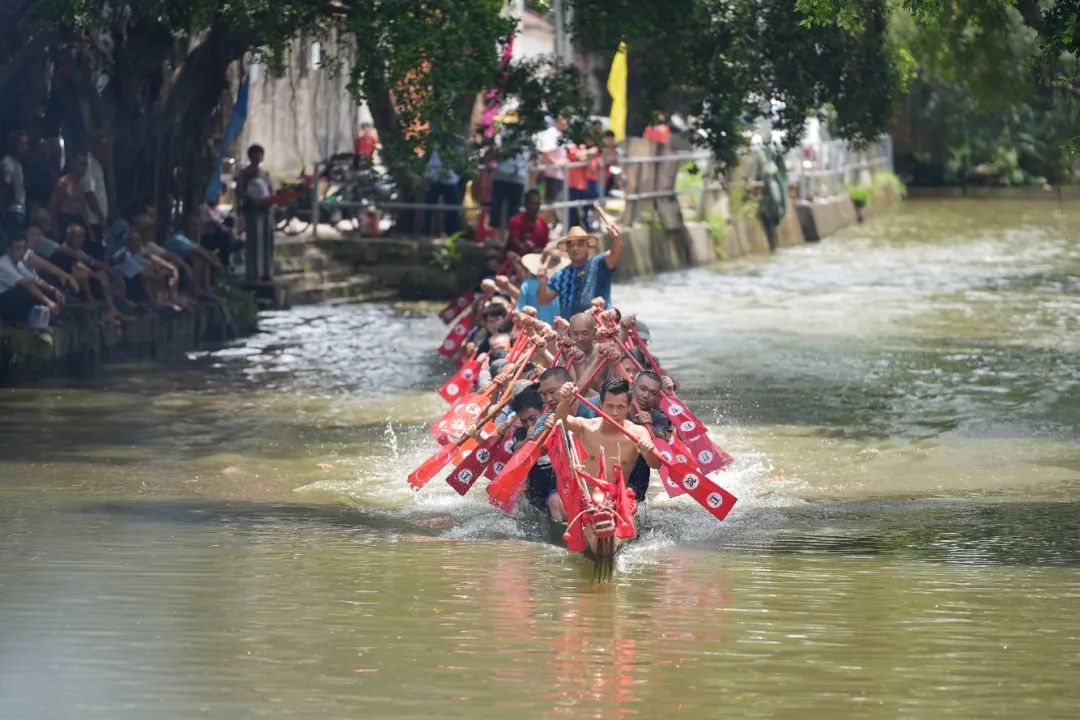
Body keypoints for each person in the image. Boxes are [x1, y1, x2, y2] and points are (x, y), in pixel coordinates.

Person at [555, 376, 659, 494]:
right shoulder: (585, 427)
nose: (615, 413)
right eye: (610, 406)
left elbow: (656, 464)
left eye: (620, 407)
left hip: (615, 501)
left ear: (629, 407)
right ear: (601, 405)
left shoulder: (637, 433)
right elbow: (560, 422)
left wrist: (649, 450)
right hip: (584, 497)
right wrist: (565, 400)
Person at [535, 223, 624, 318]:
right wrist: (542, 283)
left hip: (600, 324)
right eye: (571, 245)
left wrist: (616, 238)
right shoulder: (560, 275)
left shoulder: (599, 263)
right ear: (567, 249)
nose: (575, 248)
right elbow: (543, 300)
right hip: (572, 329)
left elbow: (615, 254)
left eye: (580, 244)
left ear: (587, 245)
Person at [0, 235, 61, 325]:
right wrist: (48, 301)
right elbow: (26, 282)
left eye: (23, 248)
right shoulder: (3, 264)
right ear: (9, 249)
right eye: (18, 248)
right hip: (3, 302)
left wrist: (53, 289)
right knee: (24, 288)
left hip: (13, 300)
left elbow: (35, 279)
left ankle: (49, 317)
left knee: (44, 284)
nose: (21, 251)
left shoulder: (19, 263)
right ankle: (19, 320)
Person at [237, 143, 274, 281]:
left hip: (266, 209)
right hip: (252, 209)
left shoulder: (265, 173)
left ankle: (267, 272)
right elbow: (240, 191)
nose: (257, 156)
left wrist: (270, 201)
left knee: (267, 240)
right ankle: (253, 273)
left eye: (260, 154)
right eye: (255, 154)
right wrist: (253, 201)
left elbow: (271, 189)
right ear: (250, 156)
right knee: (254, 241)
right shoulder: (245, 173)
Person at [48, 153, 93, 245]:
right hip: (64, 219)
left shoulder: (81, 185)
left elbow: (83, 209)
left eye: (85, 165)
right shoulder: (63, 182)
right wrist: (54, 225)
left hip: (78, 221)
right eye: (81, 164)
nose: (84, 168)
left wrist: (89, 229)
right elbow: (52, 204)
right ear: (73, 165)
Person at [420, 148, 462, 237]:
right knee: (428, 207)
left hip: (450, 178)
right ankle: (425, 233)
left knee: (452, 209)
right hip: (433, 176)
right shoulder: (433, 138)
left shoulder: (456, 139)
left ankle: (453, 235)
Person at [515, 252, 565, 325]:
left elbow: (519, 312)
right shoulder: (561, 283)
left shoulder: (527, 284)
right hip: (555, 333)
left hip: (534, 332)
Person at [81, 132, 111, 256]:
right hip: (93, 220)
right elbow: (89, 193)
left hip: (98, 221)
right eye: (103, 148)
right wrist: (101, 218)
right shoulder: (90, 164)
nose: (105, 151)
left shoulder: (98, 165)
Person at [505, 189, 550, 258]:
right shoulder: (515, 221)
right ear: (525, 204)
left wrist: (533, 249)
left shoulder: (544, 225)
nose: (534, 207)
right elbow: (515, 242)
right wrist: (526, 246)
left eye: (537, 204)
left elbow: (545, 248)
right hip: (516, 259)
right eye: (532, 204)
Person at [536, 116, 568, 209]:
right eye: (563, 119)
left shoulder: (560, 134)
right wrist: (556, 163)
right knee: (548, 204)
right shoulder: (551, 133)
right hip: (550, 175)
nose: (566, 121)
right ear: (557, 121)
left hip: (558, 175)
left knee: (554, 204)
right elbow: (545, 152)